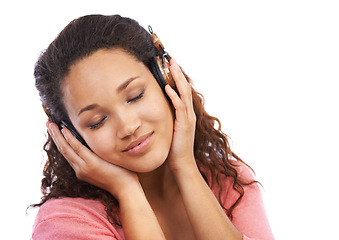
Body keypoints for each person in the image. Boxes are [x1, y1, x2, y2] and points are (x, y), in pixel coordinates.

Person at [31, 14, 274, 240]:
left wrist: (185, 167)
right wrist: (127, 191)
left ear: (166, 79)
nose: (128, 126)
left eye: (135, 96)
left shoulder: (230, 182)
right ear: (70, 136)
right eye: (97, 121)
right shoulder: (65, 221)